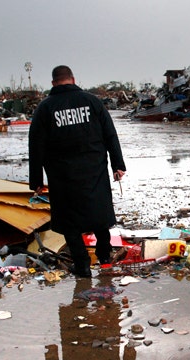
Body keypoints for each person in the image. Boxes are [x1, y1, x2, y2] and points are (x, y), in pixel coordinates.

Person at [28, 65, 126, 278]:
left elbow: (36, 146)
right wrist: (118, 165)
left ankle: (82, 266)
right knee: (98, 214)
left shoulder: (45, 109)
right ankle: (105, 258)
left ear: (53, 83)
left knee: (69, 220)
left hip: (62, 175)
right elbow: (110, 134)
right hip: (94, 170)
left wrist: (36, 180)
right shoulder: (92, 102)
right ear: (73, 79)